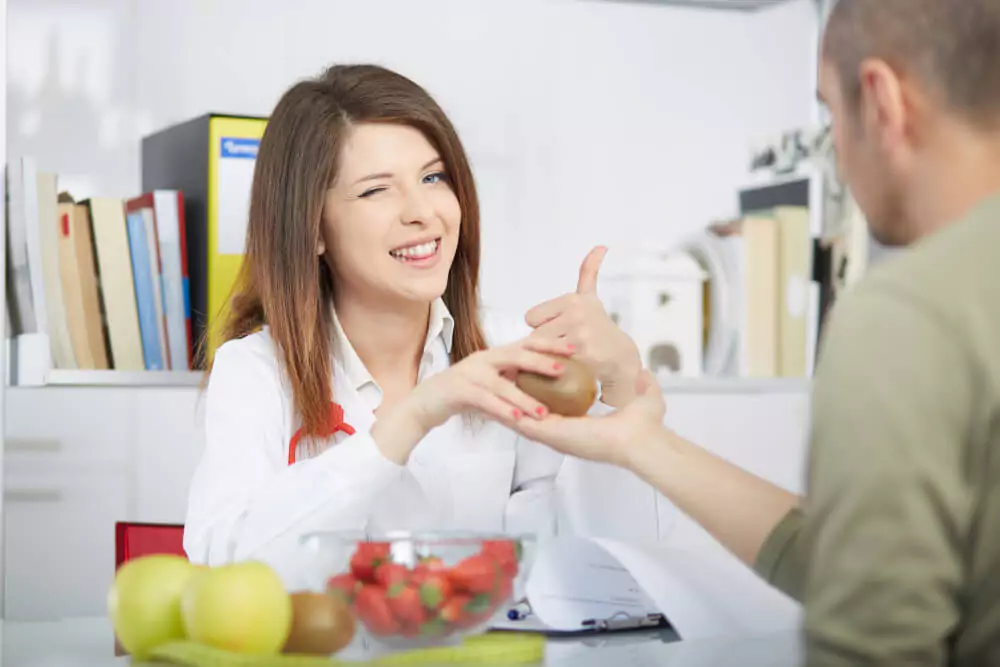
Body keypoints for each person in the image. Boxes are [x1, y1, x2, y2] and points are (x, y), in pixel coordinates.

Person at [515, 0, 1000, 664]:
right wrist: (642, 442)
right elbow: (855, 565)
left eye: (829, 114)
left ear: (882, 100)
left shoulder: (910, 315)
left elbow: (874, 644)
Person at [181, 64, 642, 585]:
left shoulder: (515, 351)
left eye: (433, 177)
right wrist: (410, 420)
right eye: (377, 190)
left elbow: (608, 570)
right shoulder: (255, 371)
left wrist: (619, 391)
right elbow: (225, 570)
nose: (423, 211)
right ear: (312, 230)